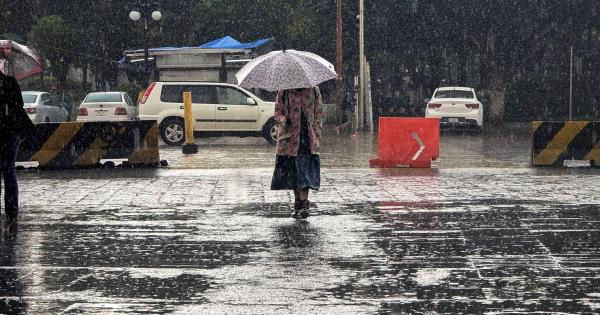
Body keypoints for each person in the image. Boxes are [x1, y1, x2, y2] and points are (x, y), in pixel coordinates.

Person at [271, 86, 323, 219]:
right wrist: (283, 119)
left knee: (305, 170)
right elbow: (277, 113)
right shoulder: (284, 91)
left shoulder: (314, 90)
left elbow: (319, 112)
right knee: (294, 172)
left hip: (308, 138)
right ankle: (298, 204)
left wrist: (316, 130)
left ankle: (304, 206)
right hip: (290, 140)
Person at [0, 61, 32, 222]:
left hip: (8, 131)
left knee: (7, 170)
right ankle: (12, 210)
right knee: (9, 170)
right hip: (12, 132)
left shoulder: (9, 82)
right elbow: (19, 104)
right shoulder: (10, 82)